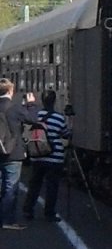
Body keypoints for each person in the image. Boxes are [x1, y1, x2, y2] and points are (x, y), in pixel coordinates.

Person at [23, 89, 72, 223]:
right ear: (54, 101)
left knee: (35, 183)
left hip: (37, 155)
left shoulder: (37, 116)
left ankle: (28, 209)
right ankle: (49, 212)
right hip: (54, 156)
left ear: (42, 101)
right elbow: (65, 134)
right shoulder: (59, 117)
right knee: (52, 185)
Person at [0, 78, 39, 230]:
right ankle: (8, 220)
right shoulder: (15, 108)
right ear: (11, 91)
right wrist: (31, 104)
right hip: (13, 153)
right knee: (10, 187)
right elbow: (33, 119)